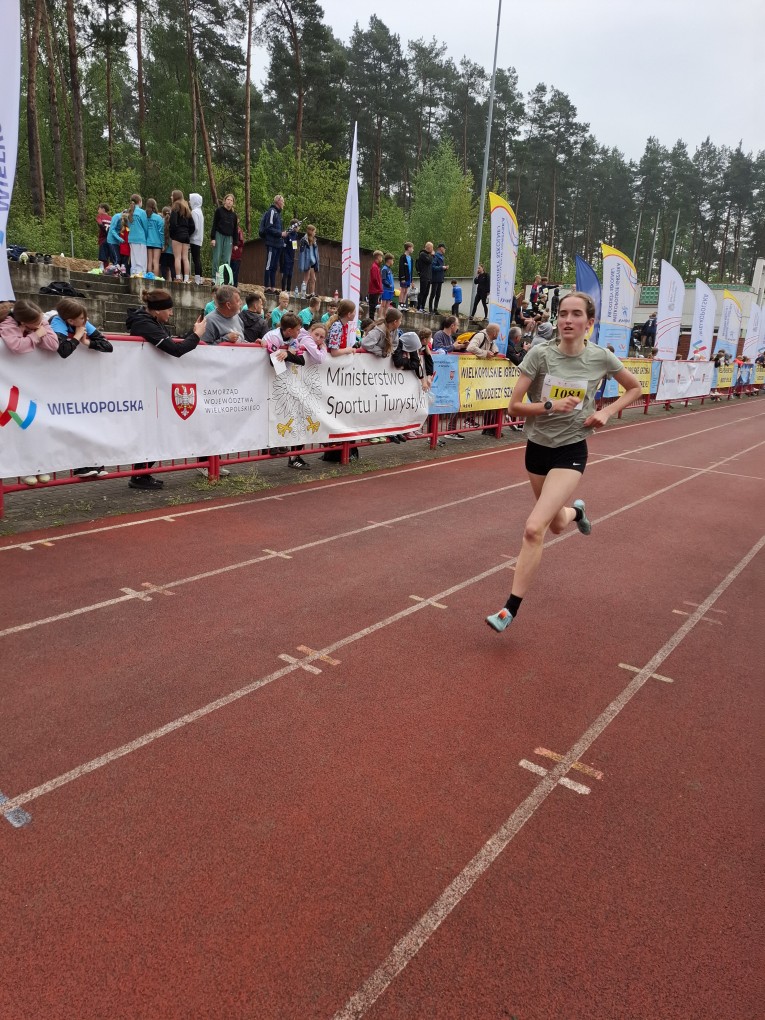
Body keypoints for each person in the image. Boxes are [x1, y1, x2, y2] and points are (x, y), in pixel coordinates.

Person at [485, 291, 642, 633]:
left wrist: (606, 412)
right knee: (556, 523)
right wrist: (549, 406)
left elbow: (634, 388)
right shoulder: (540, 354)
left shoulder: (600, 357)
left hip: (571, 450)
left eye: (576, 314)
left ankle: (509, 609)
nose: (568, 320)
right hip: (537, 448)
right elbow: (513, 407)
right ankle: (577, 513)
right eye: (563, 314)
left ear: (589, 322)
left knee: (533, 528)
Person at [126, 289, 207, 490]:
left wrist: (192, 333)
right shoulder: (144, 323)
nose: (171, 313)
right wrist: (196, 335)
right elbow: (175, 350)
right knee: (152, 429)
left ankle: (141, 473)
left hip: (153, 382)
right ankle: (138, 474)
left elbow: (171, 343)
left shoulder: (152, 321)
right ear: (158, 310)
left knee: (156, 429)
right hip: (146, 383)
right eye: (169, 309)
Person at [210, 193, 238, 281]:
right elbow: (214, 224)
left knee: (226, 260)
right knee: (217, 258)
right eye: (228, 200)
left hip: (229, 238)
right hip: (219, 235)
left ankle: (224, 279)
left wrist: (235, 243)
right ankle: (215, 278)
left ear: (233, 203)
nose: (229, 202)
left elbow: (235, 229)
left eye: (231, 200)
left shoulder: (234, 215)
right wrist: (213, 238)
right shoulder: (219, 211)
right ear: (225, 201)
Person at [261, 194, 286, 293]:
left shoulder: (278, 214)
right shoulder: (272, 211)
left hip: (278, 244)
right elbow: (268, 227)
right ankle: (266, 286)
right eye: (282, 201)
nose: (283, 203)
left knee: (275, 266)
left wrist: (283, 234)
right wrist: (280, 233)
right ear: (278, 201)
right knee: (269, 265)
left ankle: (272, 287)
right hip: (271, 243)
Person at [169, 189, 194, 283]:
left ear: (175, 197)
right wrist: (188, 233)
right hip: (186, 236)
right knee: (185, 258)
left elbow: (173, 223)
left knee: (177, 257)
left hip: (177, 235)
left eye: (172, 195)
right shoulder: (187, 208)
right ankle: (186, 279)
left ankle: (178, 277)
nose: (171, 197)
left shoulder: (175, 206)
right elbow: (192, 225)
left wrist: (173, 234)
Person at [145, 198, 165, 281]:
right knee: (155, 262)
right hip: (157, 242)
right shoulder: (158, 218)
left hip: (148, 242)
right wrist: (163, 243)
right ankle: (155, 278)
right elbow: (161, 232)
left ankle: (149, 278)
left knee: (149, 261)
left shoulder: (145, 217)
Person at [298, 224, 320, 296]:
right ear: (311, 231)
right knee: (306, 278)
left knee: (313, 279)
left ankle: (312, 294)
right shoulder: (304, 240)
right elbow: (302, 252)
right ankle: (303, 293)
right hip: (307, 262)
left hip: (313, 262)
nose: (315, 233)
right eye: (314, 232)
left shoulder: (314, 240)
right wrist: (303, 263)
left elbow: (315, 252)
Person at [189, 193, 205, 286]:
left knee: (196, 259)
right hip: (199, 238)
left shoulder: (194, 212)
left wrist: (189, 235)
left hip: (194, 238)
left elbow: (194, 227)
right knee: (197, 259)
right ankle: (200, 278)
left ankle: (198, 279)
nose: (189, 201)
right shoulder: (200, 211)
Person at [281, 219, 299, 293]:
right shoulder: (287, 233)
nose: (298, 228)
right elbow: (283, 245)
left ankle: (288, 290)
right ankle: (283, 290)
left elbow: (294, 246)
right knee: (285, 273)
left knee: (290, 274)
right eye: (297, 226)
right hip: (286, 256)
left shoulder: (296, 235)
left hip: (292, 257)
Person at [429, 243, 448, 314]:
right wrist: (442, 267)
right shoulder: (435, 256)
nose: (445, 249)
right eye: (444, 248)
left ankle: (435, 309)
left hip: (440, 278)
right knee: (433, 294)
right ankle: (430, 309)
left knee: (438, 295)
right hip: (435, 278)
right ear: (441, 248)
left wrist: (445, 268)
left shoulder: (442, 257)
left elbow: (440, 267)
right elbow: (433, 267)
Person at [415, 242, 434, 312]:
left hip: (428, 276)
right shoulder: (422, 254)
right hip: (424, 276)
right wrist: (432, 255)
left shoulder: (428, 255)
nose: (433, 249)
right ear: (429, 247)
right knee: (422, 292)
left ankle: (422, 307)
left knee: (426, 292)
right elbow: (429, 261)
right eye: (432, 247)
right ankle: (419, 307)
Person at [96, 204, 113, 271]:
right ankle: (108, 270)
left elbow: (99, 223)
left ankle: (102, 269)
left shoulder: (100, 216)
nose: (98, 211)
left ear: (103, 209)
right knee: (108, 256)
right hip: (111, 240)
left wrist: (104, 230)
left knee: (102, 257)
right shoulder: (111, 218)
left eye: (99, 209)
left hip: (103, 239)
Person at [368, 250, 383, 318]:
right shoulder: (374, 267)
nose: (382, 259)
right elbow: (375, 279)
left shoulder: (377, 267)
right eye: (381, 257)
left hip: (375, 290)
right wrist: (379, 288)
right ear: (378, 257)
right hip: (374, 290)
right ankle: (371, 320)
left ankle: (372, 319)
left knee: (374, 306)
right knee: (372, 307)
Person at [398, 242, 414, 308]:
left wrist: (411, 279)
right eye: (412, 248)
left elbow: (411, 269)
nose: (413, 250)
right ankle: (400, 304)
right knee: (403, 290)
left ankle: (404, 304)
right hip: (404, 277)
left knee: (406, 291)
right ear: (409, 248)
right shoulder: (403, 257)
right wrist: (402, 278)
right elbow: (401, 268)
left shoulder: (411, 258)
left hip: (408, 277)